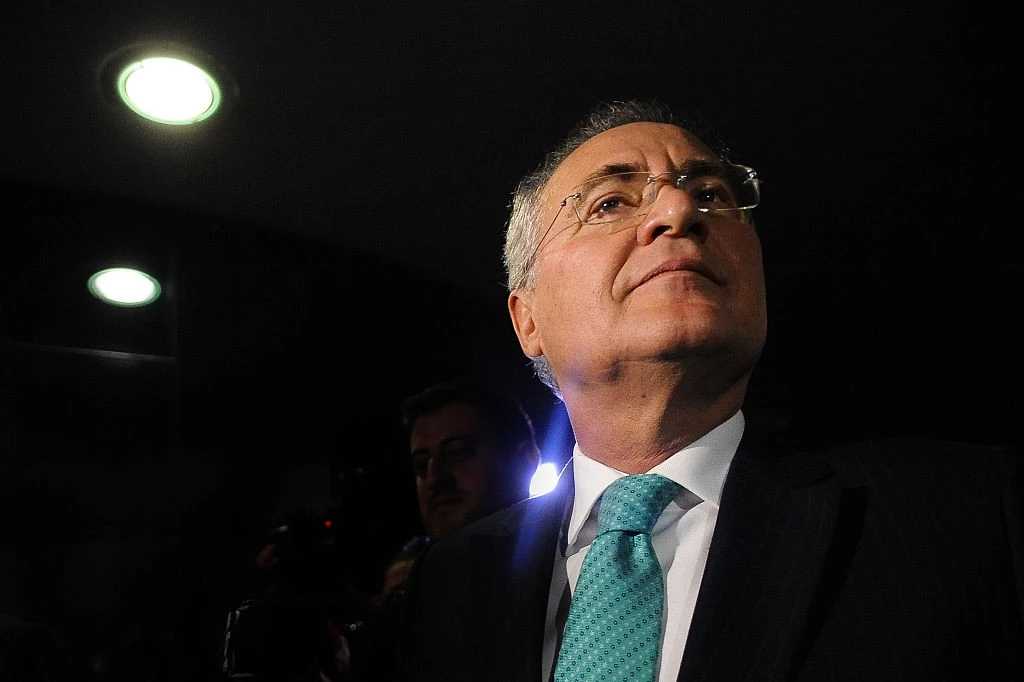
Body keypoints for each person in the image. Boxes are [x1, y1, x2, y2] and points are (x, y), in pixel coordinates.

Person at [393, 99, 1024, 681]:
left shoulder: (969, 512)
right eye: (610, 202)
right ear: (526, 318)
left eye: (713, 194)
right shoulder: (444, 588)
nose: (678, 212)